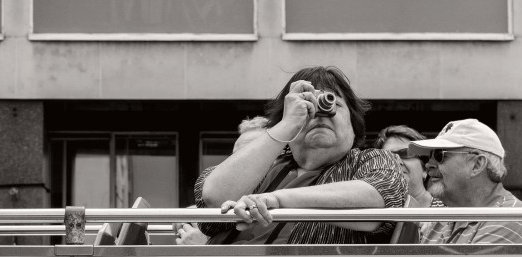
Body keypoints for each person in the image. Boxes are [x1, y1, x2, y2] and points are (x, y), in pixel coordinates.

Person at [194, 66, 408, 245]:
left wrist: (277, 200)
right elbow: (214, 197)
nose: (321, 112)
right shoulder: (262, 166)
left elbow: (378, 197)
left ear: (354, 126)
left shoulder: (372, 160)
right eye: (310, 106)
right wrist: (288, 124)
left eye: (335, 104)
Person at [408, 118, 522, 244]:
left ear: (477, 165)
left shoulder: (509, 219)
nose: (428, 164)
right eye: (429, 156)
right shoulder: (443, 217)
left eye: (439, 155)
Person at [175, 117, 267, 245]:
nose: (238, 165)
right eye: (235, 157)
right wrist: (194, 212)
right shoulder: (240, 204)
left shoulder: (281, 209)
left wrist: (202, 249)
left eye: (251, 155)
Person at [374, 125, 444, 208]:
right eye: (387, 156)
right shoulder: (371, 212)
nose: (396, 160)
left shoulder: (451, 211)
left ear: (425, 169)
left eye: (405, 153)